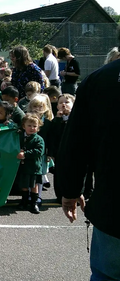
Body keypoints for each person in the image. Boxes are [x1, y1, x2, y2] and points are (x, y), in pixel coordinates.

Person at [59, 53, 120, 280]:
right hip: (111, 207)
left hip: (113, 207)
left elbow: (76, 144)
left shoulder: (99, 80)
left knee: (108, 274)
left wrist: (71, 190)